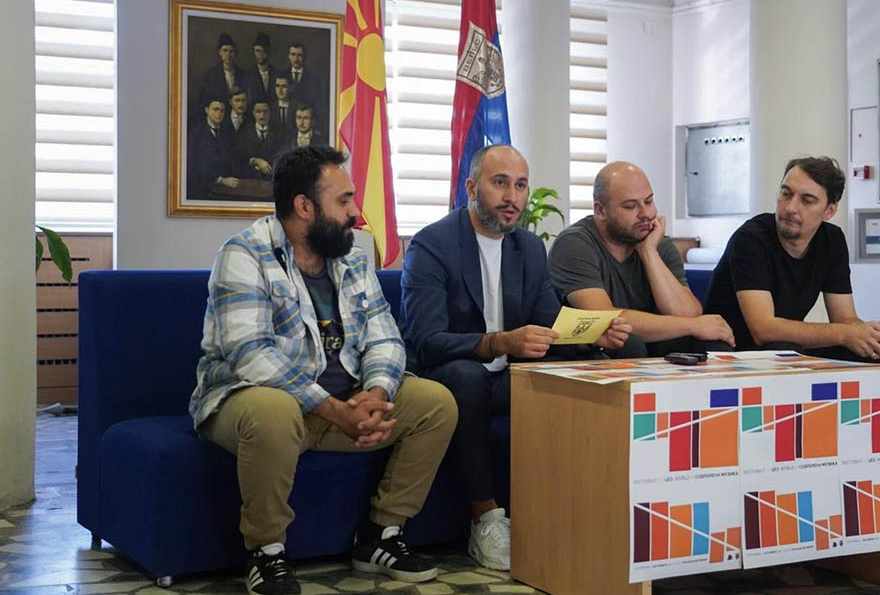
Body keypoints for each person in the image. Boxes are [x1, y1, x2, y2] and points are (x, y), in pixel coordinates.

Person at [189, 146, 457, 593]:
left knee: (436, 402)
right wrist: (335, 410)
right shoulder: (245, 254)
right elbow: (249, 354)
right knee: (273, 411)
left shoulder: (352, 258)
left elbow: (385, 338)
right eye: (344, 200)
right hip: (251, 404)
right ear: (304, 206)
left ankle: (380, 535)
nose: (355, 212)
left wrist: (376, 394)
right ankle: (266, 552)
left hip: (342, 407)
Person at [401, 144, 630, 571]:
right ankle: (485, 518)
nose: (512, 197)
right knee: (468, 377)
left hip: (507, 379)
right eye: (500, 183)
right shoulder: (432, 245)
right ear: (472, 188)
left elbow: (549, 322)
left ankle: (586, 504)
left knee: (595, 363)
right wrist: (499, 343)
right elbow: (426, 341)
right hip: (447, 378)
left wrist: (593, 336)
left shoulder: (527, 247)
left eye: (521, 185)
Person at [702, 156, 880, 363]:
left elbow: (845, 318)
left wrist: (868, 333)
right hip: (731, 346)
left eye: (807, 200)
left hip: (782, 346)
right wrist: (844, 333)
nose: (790, 208)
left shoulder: (832, 240)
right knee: (783, 351)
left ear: (829, 211)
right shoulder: (750, 239)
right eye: (786, 194)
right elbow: (763, 329)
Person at [547, 161, 733, 357]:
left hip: (653, 348)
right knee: (628, 342)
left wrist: (649, 253)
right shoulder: (574, 244)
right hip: (596, 352)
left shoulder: (657, 243)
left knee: (712, 342)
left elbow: (688, 314)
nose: (645, 214)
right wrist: (691, 326)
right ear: (600, 211)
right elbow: (604, 319)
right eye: (630, 206)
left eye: (649, 201)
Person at [186, 96, 240, 200]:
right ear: (207, 110)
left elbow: (231, 158)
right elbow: (195, 163)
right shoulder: (196, 133)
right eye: (215, 109)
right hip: (201, 188)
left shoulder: (227, 132)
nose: (219, 114)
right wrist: (221, 180)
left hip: (224, 188)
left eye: (222, 111)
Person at [197, 33, 245, 126]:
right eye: (225, 50)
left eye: (231, 51)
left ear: (235, 53)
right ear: (220, 52)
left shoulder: (243, 75)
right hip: (217, 121)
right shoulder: (210, 76)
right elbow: (203, 103)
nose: (228, 55)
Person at [285, 42, 326, 134]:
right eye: (293, 54)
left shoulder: (314, 78)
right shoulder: (282, 76)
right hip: (287, 127)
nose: (296, 59)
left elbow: (319, 106)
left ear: (304, 57)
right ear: (289, 56)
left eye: (299, 55)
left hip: (307, 128)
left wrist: (317, 128)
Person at [233, 99, 279, 179]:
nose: (262, 115)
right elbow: (238, 157)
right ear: (253, 113)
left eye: (265, 111)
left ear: (270, 113)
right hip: (249, 178)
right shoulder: (244, 132)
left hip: (272, 178)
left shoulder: (278, 132)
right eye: (258, 111)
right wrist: (255, 160)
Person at [244, 32, 278, 106]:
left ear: (269, 51)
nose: (261, 55)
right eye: (258, 51)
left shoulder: (277, 74)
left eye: (264, 51)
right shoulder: (248, 75)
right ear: (254, 52)